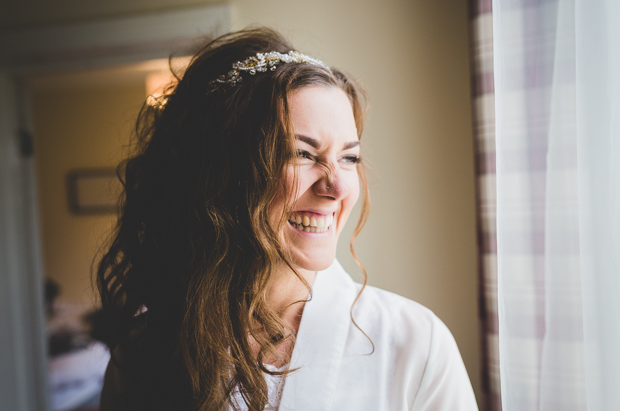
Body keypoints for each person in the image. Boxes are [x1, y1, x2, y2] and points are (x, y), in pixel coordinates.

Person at [97, 27, 478, 411]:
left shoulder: (414, 343)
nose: (337, 187)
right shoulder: (145, 354)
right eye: (301, 153)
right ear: (223, 172)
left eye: (349, 157)